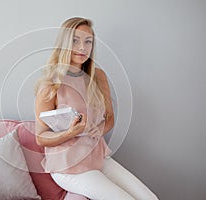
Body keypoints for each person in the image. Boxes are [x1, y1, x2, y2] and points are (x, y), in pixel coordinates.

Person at [34, 17, 158, 200]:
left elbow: (109, 118)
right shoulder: (51, 84)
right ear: (64, 44)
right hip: (67, 166)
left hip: (97, 156)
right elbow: (41, 137)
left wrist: (98, 129)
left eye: (88, 42)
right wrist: (69, 133)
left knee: (150, 198)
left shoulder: (98, 77)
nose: (82, 48)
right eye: (75, 41)